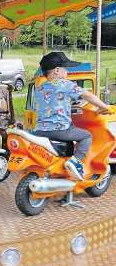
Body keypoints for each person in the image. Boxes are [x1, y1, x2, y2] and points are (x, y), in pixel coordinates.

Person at [34, 51, 111, 181]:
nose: (67, 72)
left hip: (40, 131)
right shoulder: (65, 84)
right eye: (65, 68)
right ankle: (76, 161)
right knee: (86, 135)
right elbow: (88, 95)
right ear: (57, 70)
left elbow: (52, 103)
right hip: (60, 130)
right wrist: (104, 107)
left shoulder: (40, 88)